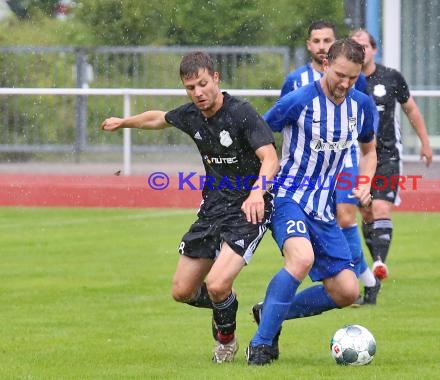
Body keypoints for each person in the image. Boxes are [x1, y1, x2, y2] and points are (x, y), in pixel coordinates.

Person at [100, 51, 279, 363]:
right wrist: (124, 122)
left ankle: (226, 341)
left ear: (216, 78)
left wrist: (256, 194)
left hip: (249, 210)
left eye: (203, 84)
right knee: (182, 291)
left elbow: (270, 157)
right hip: (212, 211)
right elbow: (159, 117)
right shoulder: (192, 115)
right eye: (190, 88)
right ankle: (227, 304)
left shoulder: (242, 113)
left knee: (217, 283)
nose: (198, 93)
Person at [246, 39, 378, 365]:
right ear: (325, 65)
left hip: (323, 208)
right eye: (340, 75)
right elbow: (257, 135)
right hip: (288, 197)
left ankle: (269, 313)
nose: (345, 84)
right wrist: (255, 185)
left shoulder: (361, 106)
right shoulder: (300, 100)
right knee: (301, 259)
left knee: (347, 291)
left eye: (352, 77)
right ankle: (261, 345)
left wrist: (363, 184)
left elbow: (369, 150)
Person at [280, 20, 379, 307]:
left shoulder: (352, 77)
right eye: (316, 41)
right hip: (307, 168)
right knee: (327, 219)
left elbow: (361, 116)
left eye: (327, 40)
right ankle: (358, 275)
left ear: (335, 45)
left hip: (345, 159)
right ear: (309, 46)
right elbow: (281, 123)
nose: (322, 46)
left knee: (347, 216)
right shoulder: (295, 81)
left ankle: (365, 280)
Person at [349, 29, 433, 305]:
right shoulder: (346, 80)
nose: (361, 51)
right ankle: (375, 266)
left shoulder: (391, 78)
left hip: (386, 156)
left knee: (381, 207)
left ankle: (379, 263)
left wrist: (425, 142)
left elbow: (411, 110)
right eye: (356, 47)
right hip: (358, 156)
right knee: (365, 211)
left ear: (374, 49)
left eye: (365, 46)